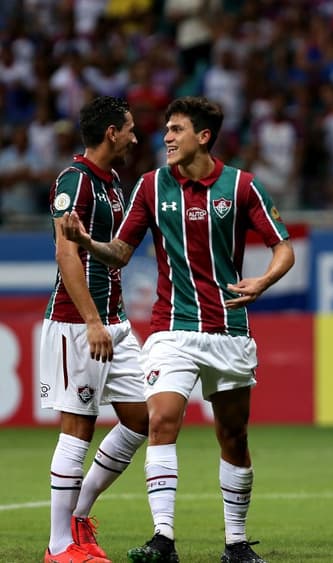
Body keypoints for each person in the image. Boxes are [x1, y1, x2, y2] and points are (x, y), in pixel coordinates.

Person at [60, 96, 295, 563]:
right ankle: (163, 538)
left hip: (228, 329)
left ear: (203, 137)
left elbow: (282, 246)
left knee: (234, 435)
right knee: (163, 420)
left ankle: (236, 544)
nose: (166, 137)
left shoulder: (241, 186)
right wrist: (88, 243)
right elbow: (121, 252)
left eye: (177, 129)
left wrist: (265, 280)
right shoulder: (149, 186)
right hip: (171, 329)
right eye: (166, 129)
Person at [41, 95, 148, 563]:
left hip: (116, 322)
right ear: (111, 133)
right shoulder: (75, 181)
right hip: (76, 322)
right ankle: (58, 545)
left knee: (146, 416)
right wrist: (91, 321)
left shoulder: (113, 183)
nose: (134, 137)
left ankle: (79, 515)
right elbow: (67, 255)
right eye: (129, 129)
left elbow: (102, 248)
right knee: (78, 428)